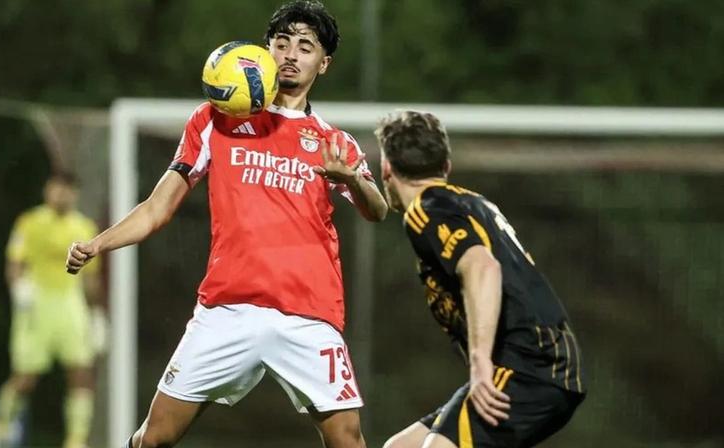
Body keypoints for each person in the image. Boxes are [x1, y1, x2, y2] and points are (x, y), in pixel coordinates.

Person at [65, 2, 388, 447]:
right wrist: (99, 244)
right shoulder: (216, 119)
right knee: (153, 438)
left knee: (348, 440)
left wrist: (352, 179)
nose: (291, 54)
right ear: (264, 51)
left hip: (308, 315)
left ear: (324, 63)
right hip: (227, 309)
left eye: (305, 46)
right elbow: (158, 207)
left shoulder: (334, 142)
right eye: (282, 43)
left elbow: (378, 210)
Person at [376, 110, 585, 448]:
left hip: (530, 365)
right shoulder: (469, 202)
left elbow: (483, 267)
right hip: (541, 359)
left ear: (386, 167)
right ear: (446, 167)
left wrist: (479, 360)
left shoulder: (425, 209)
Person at [0, 172, 106, 448]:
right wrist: (19, 288)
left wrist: (97, 314)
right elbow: (14, 264)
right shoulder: (29, 222)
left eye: (68, 190)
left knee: (81, 373)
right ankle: (0, 431)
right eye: (57, 188)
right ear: (47, 190)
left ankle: (76, 441)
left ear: (75, 194)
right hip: (37, 304)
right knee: (25, 378)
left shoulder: (84, 227)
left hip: (70, 304)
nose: (62, 194)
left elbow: (91, 278)